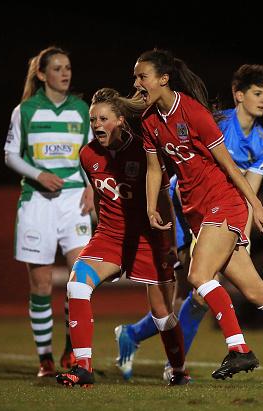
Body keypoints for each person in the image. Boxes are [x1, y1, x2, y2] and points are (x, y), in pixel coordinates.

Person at [135, 49, 263, 384]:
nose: (137, 83)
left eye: (141, 76)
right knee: (258, 293)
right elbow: (153, 170)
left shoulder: (196, 114)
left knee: (200, 276)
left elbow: (231, 168)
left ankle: (238, 349)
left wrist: (255, 206)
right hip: (195, 212)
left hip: (224, 202)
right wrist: (149, 206)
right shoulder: (149, 121)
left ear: (163, 79)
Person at [114, 64, 263, 381]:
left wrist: (241, 235)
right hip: (185, 206)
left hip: (219, 211)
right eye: (257, 93)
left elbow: (248, 192)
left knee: (200, 293)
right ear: (238, 95)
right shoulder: (217, 122)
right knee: (185, 289)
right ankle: (166, 358)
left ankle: (150, 347)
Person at [55, 88, 189, 387]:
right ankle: (83, 367)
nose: (97, 125)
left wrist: (168, 243)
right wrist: (101, 233)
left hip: (148, 239)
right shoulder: (88, 154)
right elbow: (103, 199)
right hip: (110, 237)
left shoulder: (145, 151)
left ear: (120, 120)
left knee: (163, 313)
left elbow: (165, 200)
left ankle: (179, 372)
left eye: (104, 118)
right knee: (77, 284)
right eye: (92, 120)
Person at [3, 47, 94, 377]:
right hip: (37, 202)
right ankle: (45, 357)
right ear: (42, 75)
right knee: (41, 285)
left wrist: (91, 186)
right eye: (57, 69)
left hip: (73, 203)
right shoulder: (25, 110)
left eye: (68, 67)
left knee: (79, 277)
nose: (65, 73)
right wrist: (38, 174)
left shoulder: (83, 109)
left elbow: (88, 154)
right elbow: (11, 155)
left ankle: (73, 349)